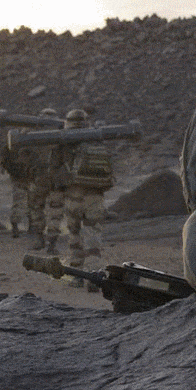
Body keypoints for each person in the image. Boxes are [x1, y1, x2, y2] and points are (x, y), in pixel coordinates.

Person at [55, 107, 113, 276]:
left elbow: (56, 169)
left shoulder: (63, 141)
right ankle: (94, 274)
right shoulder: (96, 138)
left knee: (74, 235)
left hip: (73, 196)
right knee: (93, 235)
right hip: (95, 196)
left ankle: (76, 274)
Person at [24, 107, 70, 250]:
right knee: (56, 212)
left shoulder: (33, 135)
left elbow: (23, 155)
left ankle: (39, 239)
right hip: (57, 179)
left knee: (36, 208)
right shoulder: (64, 135)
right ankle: (52, 243)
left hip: (39, 178)